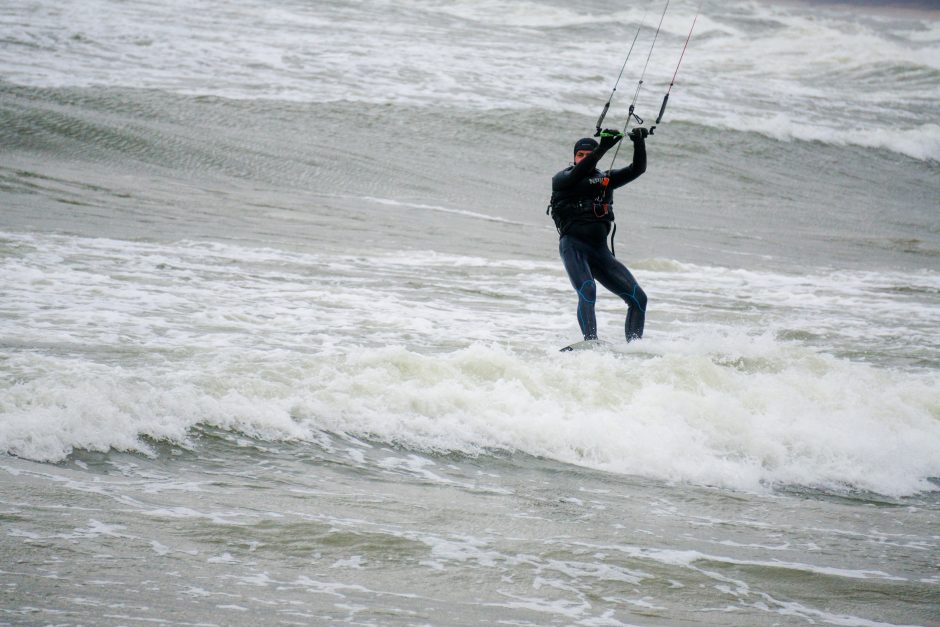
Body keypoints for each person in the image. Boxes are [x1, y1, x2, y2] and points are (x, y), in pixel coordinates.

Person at [548, 127, 648, 342]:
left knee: (639, 299)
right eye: (580, 155)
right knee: (588, 290)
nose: (583, 158)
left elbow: (638, 168)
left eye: (587, 154)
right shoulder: (563, 179)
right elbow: (578, 174)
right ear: (574, 158)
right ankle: (590, 342)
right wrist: (602, 147)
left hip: (600, 252)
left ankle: (634, 348)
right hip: (574, 247)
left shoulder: (607, 180)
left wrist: (639, 142)